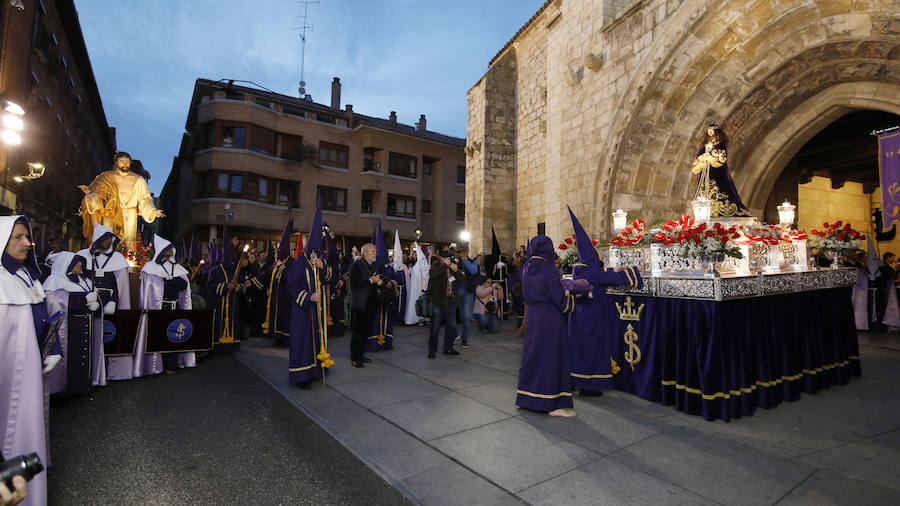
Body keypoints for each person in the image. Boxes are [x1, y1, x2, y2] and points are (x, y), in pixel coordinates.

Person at [0, 216, 57, 506]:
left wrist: (53, 347)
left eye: (26, 237)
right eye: (17, 237)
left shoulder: (26, 274)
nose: (26, 242)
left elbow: (44, 314)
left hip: (33, 369)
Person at [566, 207, 642, 397]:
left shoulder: (580, 270)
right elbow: (614, 279)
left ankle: (575, 380)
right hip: (593, 318)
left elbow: (602, 275)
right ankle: (588, 386)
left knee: (579, 349)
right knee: (592, 350)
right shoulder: (593, 271)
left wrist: (613, 270)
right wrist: (635, 269)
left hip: (578, 317)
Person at [516, 235, 578, 418]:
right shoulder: (549, 270)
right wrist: (572, 300)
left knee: (532, 356)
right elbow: (560, 299)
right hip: (549, 317)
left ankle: (525, 398)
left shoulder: (526, 268)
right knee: (552, 357)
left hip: (532, 316)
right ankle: (554, 404)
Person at [76, 223, 131, 380]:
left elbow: (119, 286)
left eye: (110, 239)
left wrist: (114, 301)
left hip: (108, 305)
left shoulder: (118, 259)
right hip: (88, 302)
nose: (108, 242)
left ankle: (107, 371)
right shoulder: (83, 255)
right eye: (105, 238)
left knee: (108, 338)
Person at [43, 252, 102, 395]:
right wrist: (85, 301)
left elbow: (95, 298)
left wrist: (97, 306)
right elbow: (57, 305)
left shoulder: (84, 281)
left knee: (83, 357)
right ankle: (65, 390)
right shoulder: (54, 281)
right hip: (70, 328)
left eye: (80, 262)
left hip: (85, 325)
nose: (80, 265)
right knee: (71, 358)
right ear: (67, 264)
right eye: (76, 262)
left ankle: (81, 386)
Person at [286, 205, 332, 387]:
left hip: (318, 312)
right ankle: (301, 376)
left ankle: (316, 370)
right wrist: (308, 297)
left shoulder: (319, 263)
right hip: (302, 312)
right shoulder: (299, 264)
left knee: (317, 339)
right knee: (302, 342)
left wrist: (323, 268)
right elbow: (291, 287)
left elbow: (330, 279)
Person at [78, 152, 165, 248]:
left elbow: (145, 199)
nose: (125, 164)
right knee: (108, 242)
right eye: (122, 161)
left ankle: (124, 260)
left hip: (129, 217)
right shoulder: (107, 177)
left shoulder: (138, 180)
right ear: (116, 162)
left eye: (127, 161)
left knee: (126, 246)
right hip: (111, 214)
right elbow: (98, 192)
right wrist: (93, 199)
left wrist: (152, 211)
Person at [140, 235, 195, 374]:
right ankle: (157, 365)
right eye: (168, 248)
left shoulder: (176, 267)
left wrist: (167, 281)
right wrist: (169, 282)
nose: (171, 250)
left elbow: (183, 285)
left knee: (174, 335)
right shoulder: (150, 267)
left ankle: (172, 364)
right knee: (160, 336)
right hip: (159, 308)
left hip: (174, 307)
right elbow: (151, 287)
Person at [691, 124, 751, 218]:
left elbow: (722, 155)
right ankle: (704, 211)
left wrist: (710, 156)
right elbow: (698, 157)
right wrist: (703, 158)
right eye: (708, 130)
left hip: (718, 171)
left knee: (721, 188)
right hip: (706, 170)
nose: (710, 132)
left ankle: (723, 208)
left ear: (717, 131)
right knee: (705, 190)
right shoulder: (705, 145)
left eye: (712, 130)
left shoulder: (721, 143)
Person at [206, 226, 245, 351]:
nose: (232, 264)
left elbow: (242, 284)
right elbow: (210, 285)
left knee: (233, 323)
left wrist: (240, 287)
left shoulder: (236, 271)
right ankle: (217, 346)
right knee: (217, 323)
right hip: (218, 303)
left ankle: (231, 345)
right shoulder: (215, 271)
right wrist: (225, 287)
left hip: (233, 303)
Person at [427, 250, 465, 358]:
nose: (449, 260)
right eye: (446, 258)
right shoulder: (436, 265)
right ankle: (432, 350)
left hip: (451, 302)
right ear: (442, 258)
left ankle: (448, 348)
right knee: (435, 326)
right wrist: (444, 265)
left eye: (449, 258)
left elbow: (463, 280)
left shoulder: (453, 267)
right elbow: (433, 274)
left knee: (451, 326)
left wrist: (456, 271)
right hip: (439, 302)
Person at [349, 243, 380, 367]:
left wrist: (379, 281)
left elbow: (374, 279)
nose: (375, 253)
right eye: (373, 251)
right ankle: (354, 357)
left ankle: (361, 354)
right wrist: (370, 281)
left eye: (375, 251)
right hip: (361, 304)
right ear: (365, 253)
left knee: (366, 331)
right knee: (358, 331)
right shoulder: (357, 265)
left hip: (371, 303)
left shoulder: (374, 265)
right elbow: (354, 284)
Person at [404, 243, 428, 325]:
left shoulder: (424, 267)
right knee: (416, 303)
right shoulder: (416, 268)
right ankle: (414, 319)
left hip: (422, 289)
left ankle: (422, 318)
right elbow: (418, 278)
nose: (424, 261)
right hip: (416, 289)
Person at [459, 251, 479, 347]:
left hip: (468, 293)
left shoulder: (472, 261)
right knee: (452, 317)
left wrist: (465, 260)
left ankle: (464, 339)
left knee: (466, 317)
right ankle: (455, 334)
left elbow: (474, 271)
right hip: (456, 292)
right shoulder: (455, 260)